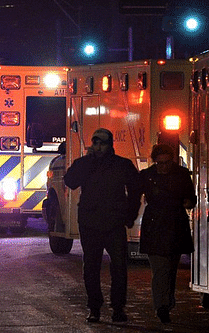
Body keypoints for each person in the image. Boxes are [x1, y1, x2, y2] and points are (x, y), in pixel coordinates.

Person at [63, 128, 141, 323]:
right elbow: (70, 181)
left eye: (102, 143)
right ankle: (95, 307)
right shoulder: (86, 164)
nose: (98, 147)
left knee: (119, 267)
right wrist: (87, 161)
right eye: (95, 143)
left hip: (113, 223)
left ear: (110, 144)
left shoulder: (122, 165)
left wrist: (129, 215)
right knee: (91, 267)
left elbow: (135, 189)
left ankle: (118, 308)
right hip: (91, 223)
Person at [138, 144, 195, 324]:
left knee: (169, 269)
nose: (163, 166)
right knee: (161, 269)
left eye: (166, 162)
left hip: (173, 225)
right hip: (157, 226)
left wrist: (188, 202)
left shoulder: (181, 175)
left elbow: (191, 198)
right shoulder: (147, 175)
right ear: (155, 162)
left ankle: (166, 303)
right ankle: (162, 305)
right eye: (160, 163)